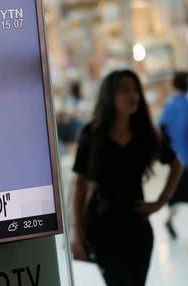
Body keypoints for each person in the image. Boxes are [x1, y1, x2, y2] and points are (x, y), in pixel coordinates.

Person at [70, 70, 183, 286]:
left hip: (137, 228)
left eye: (135, 90)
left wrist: (160, 201)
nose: (132, 96)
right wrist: (77, 233)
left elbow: (176, 164)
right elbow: (79, 184)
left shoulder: (145, 133)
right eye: (124, 90)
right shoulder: (92, 134)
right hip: (102, 228)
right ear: (109, 96)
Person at [158, 71, 188, 239]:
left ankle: (169, 219)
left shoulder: (169, 104)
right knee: (180, 192)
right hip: (186, 156)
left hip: (178, 157)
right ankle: (169, 220)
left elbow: (162, 128)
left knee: (178, 192)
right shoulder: (185, 103)